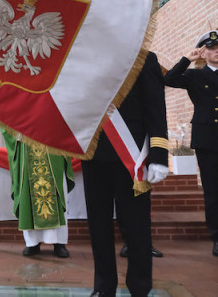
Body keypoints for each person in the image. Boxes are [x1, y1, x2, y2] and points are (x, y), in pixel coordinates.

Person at [82, 51, 169, 297]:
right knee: (98, 226)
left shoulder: (143, 58)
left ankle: (140, 287)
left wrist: (159, 156)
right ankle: (103, 286)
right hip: (93, 154)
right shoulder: (83, 58)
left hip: (131, 157)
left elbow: (156, 109)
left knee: (136, 227)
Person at [164, 30, 218, 257]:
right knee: (213, 190)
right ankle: (216, 235)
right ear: (203, 52)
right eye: (212, 48)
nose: (216, 52)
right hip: (208, 138)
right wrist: (187, 59)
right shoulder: (195, 76)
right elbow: (168, 79)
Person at [3, 131, 74, 258]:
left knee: (57, 191)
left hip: (51, 144)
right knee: (28, 193)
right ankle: (32, 243)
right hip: (27, 142)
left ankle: (59, 243)